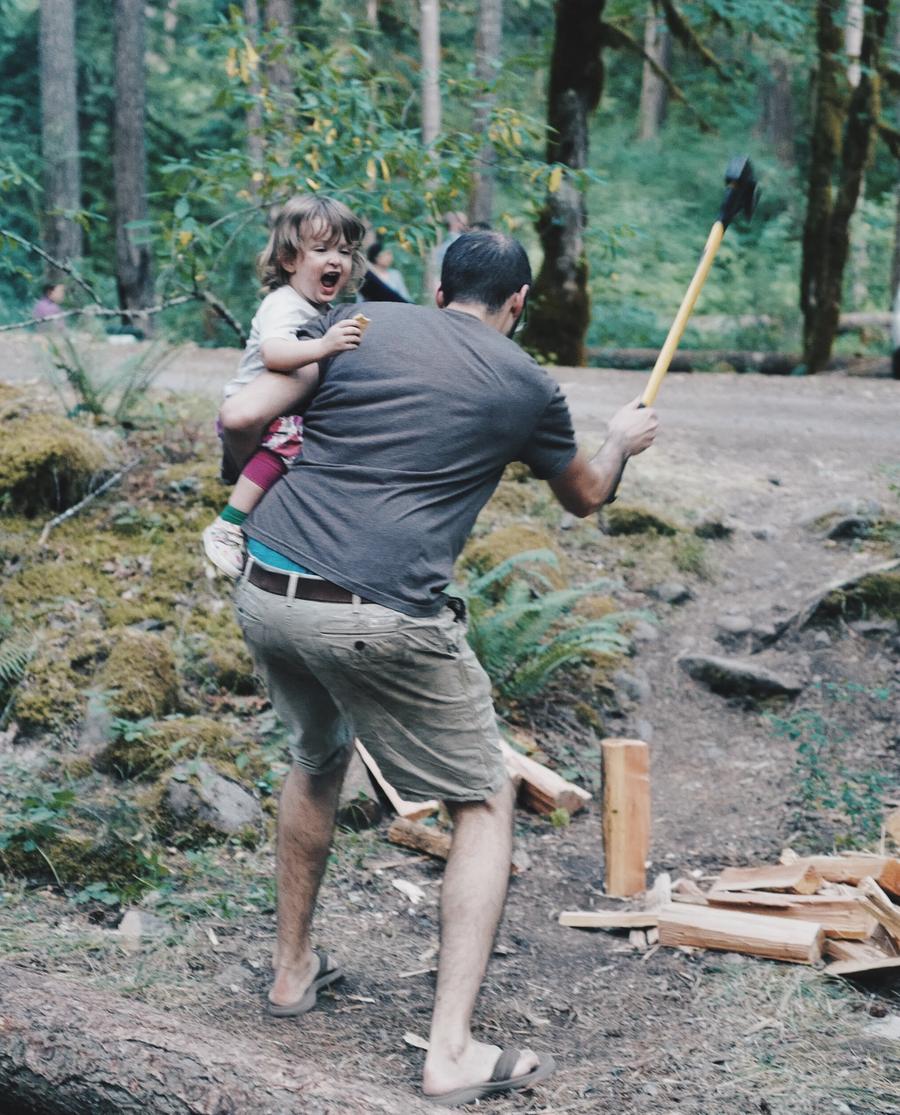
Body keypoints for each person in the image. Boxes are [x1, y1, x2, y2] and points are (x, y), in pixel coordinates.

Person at [224, 231, 658, 1106]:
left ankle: (290, 974)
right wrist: (620, 439)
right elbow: (585, 495)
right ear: (519, 305)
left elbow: (250, 413)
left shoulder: (358, 323)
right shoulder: (527, 382)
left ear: (435, 288)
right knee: (485, 798)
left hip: (265, 580)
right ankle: (450, 1050)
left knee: (316, 755)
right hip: (374, 611)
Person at [202, 194, 366, 578]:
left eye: (344, 251)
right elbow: (275, 353)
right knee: (290, 444)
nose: (335, 260)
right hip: (262, 416)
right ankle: (227, 526)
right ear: (290, 260)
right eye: (321, 249)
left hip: (276, 416)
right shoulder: (285, 303)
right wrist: (323, 347)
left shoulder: (319, 310)